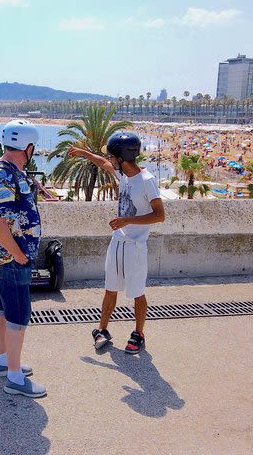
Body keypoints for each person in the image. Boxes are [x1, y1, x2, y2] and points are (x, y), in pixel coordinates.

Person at [68, 132, 165, 354]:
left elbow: (159, 215)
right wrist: (83, 153)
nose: (110, 160)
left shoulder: (147, 181)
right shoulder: (124, 175)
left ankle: (138, 333)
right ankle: (102, 329)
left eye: (112, 156)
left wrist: (127, 220)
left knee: (137, 292)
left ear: (121, 157)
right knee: (110, 288)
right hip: (118, 243)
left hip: (136, 248)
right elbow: (102, 163)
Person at [0, 120, 45, 398]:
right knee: (18, 314)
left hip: (6, 256)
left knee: (1, 307)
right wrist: (19, 255)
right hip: (11, 258)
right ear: (28, 147)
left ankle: (3, 360)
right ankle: (14, 377)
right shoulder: (4, 175)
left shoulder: (9, 170)